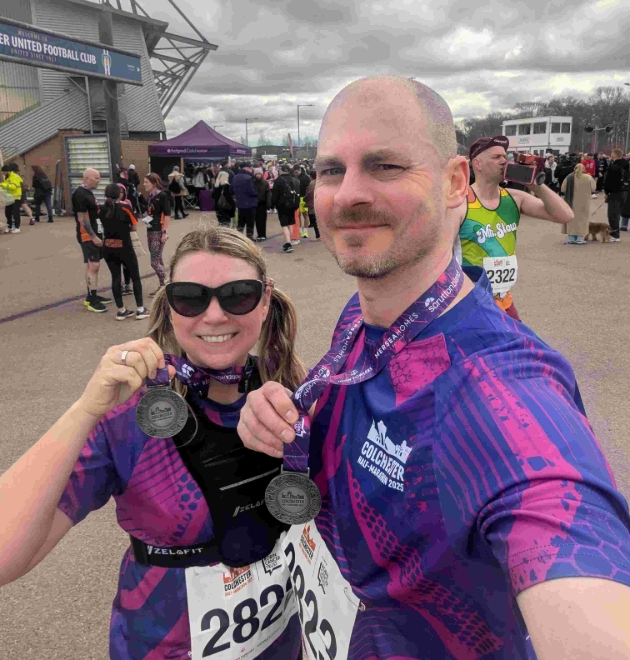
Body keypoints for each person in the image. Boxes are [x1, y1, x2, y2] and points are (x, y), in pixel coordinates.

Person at [238, 76, 630, 660]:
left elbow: (567, 541)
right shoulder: (366, 311)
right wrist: (283, 418)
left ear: (453, 183)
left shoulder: (504, 393)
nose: (346, 195)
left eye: (385, 166)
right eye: (329, 171)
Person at [0, 226, 305, 660]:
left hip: (281, 644)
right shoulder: (131, 416)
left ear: (265, 300)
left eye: (238, 294)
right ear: (170, 306)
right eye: (190, 297)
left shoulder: (293, 391)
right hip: (163, 647)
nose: (214, 316)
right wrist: (85, 411)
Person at [457, 135, 573, 320]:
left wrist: (537, 185)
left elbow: (565, 216)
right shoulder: (461, 202)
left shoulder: (515, 197)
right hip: (472, 302)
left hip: (504, 299)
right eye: (496, 157)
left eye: (505, 156)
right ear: (477, 164)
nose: (504, 161)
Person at [100, 184, 149, 321]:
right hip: (125, 247)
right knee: (135, 277)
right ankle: (140, 309)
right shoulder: (125, 207)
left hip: (108, 247)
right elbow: (133, 227)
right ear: (119, 194)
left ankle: (121, 310)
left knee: (116, 278)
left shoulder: (101, 209)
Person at [71, 168, 112, 313]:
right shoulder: (80, 194)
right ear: (87, 178)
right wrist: (93, 236)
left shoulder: (87, 192)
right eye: (96, 178)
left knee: (93, 266)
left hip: (95, 232)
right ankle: (91, 299)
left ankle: (92, 294)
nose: (99, 180)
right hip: (87, 235)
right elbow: (82, 219)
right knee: (93, 266)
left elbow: (93, 211)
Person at [142, 173, 171, 295]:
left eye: (146, 182)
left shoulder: (162, 196)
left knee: (154, 262)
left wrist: (164, 232)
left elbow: (167, 215)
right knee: (158, 259)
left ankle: (169, 284)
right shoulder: (151, 196)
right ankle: (162, 287)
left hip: (158, 231)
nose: (144, 184)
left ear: (154, 183)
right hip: (150, 230)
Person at [560, 163, 597, 245]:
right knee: (583, 220)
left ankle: (571, 238)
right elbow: (593, 188)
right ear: (584, 169)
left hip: (571, 201)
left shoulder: (569, 177)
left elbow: (563, 188)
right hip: (584, 202)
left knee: (571, 219)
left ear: (574, 169)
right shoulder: (588, 177)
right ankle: (580, 238)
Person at [270, 164, 299, 253]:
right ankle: (289, 241)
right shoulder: (294, 179)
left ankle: (288, 243)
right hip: (292, 204)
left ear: (282, 170)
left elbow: (274, 194)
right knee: (290, 223)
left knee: (284, 224)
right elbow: (297, 193)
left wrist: (272, 205)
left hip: (282, 205)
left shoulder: (278, 180)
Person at [604, 148, 629, 242]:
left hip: (615, 192)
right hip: (625, 192)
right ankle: (615, 233)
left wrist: (607, 192)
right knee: (617, 213)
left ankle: (615, 235)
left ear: (614, 155)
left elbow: (608, 181)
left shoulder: (614, 166)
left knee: (612, 214)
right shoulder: (627, 165)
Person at [230, 161, 257, 239]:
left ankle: (239, 237)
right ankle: (249, 237)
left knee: (241, 222)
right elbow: (251, 191)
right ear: (247, 168)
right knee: (250, 221)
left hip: (240, 202)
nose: (251, 169)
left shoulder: (235, 177)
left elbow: (231, 190)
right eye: (250, 167)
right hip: (250, 202)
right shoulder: (249, 177)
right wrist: (256, 194)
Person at [1, 162, 23, 234]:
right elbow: (6, 186)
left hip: (16, 198)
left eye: (3, 172)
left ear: (7, 171)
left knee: (15, 213)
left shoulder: (15, 177)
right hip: (10, 198)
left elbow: (13, 187)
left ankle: (17, 227)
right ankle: (9, 226)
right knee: (8, 213)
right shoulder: (9, 177)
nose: (3, 174)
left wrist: (2, 185)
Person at [253, 168, 271, 241]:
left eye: (259, 174)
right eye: (257, 174)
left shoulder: (265, 183)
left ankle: (263, 235)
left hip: (263, 204)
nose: (258, 175)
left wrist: (268, 204)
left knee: (262, 220)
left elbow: (268, 194)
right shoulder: (252, 182)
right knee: (257, 220)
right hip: (255, 204)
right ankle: (259, 235)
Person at [294, 165, 311, 239]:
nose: (295, 173)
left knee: (305, 215)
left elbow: (309, 189)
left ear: (299, 170)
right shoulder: (294, 177)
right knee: (298, 215)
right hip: (297, 198)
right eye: (294, 172)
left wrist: (307, 198)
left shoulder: (306, 177)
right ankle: (300, 230)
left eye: (296, 172)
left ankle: (305, 231)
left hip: (303, 198)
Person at [304, 170, 320, 240]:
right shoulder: (321, 182)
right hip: (320, 203)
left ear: (311, 177)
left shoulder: (312, 184)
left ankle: (318, 236)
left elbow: (309, 194)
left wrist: (304, 199)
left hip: (312, 204)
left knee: (314, 221)